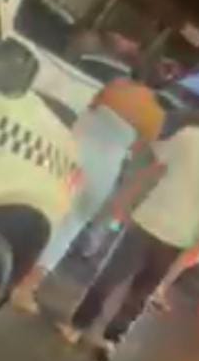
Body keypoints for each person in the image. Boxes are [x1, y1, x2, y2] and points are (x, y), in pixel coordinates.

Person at [58, 100, 199, 361]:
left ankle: (77, 326)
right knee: (143, 290)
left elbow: (153, 171)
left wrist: (124, 201)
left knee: (111, 275)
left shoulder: (189, 136)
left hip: (149, 219)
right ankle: (110, 340)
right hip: (179, 236)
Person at [10, 79, 164, 314]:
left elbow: (90, 109)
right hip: (103, 169)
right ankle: (26, 287)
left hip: (70, 150)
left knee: (39, 202)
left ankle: (10, 263)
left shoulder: (116, 88)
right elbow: (136, 149)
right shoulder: (155, 116)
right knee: (71, 226)